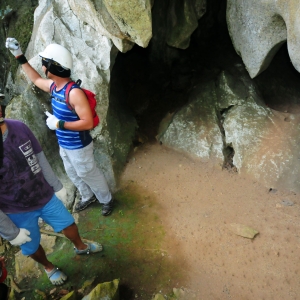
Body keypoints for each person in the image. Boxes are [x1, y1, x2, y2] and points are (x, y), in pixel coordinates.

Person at [5, 37, 114, 216]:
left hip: (79, 145)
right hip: (65, 144)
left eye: (45, 64)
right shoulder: (55, 87)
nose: (42, 67)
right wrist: (19, 55)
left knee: (88, 172)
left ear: (55, 66)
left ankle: (106, 199)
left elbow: (87, 122)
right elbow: (36, 80)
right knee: (72, 172)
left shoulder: (74, 93)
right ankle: (87, 196)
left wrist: (59, 124)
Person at [0, 102, 102, 285]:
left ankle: (80, 246)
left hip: (43, 195)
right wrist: (10, 233)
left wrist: (56, 185)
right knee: (31, 246)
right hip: (15, 209)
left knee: (68, 224)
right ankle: (48, 267)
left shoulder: (19, 127)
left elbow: (38, 155)